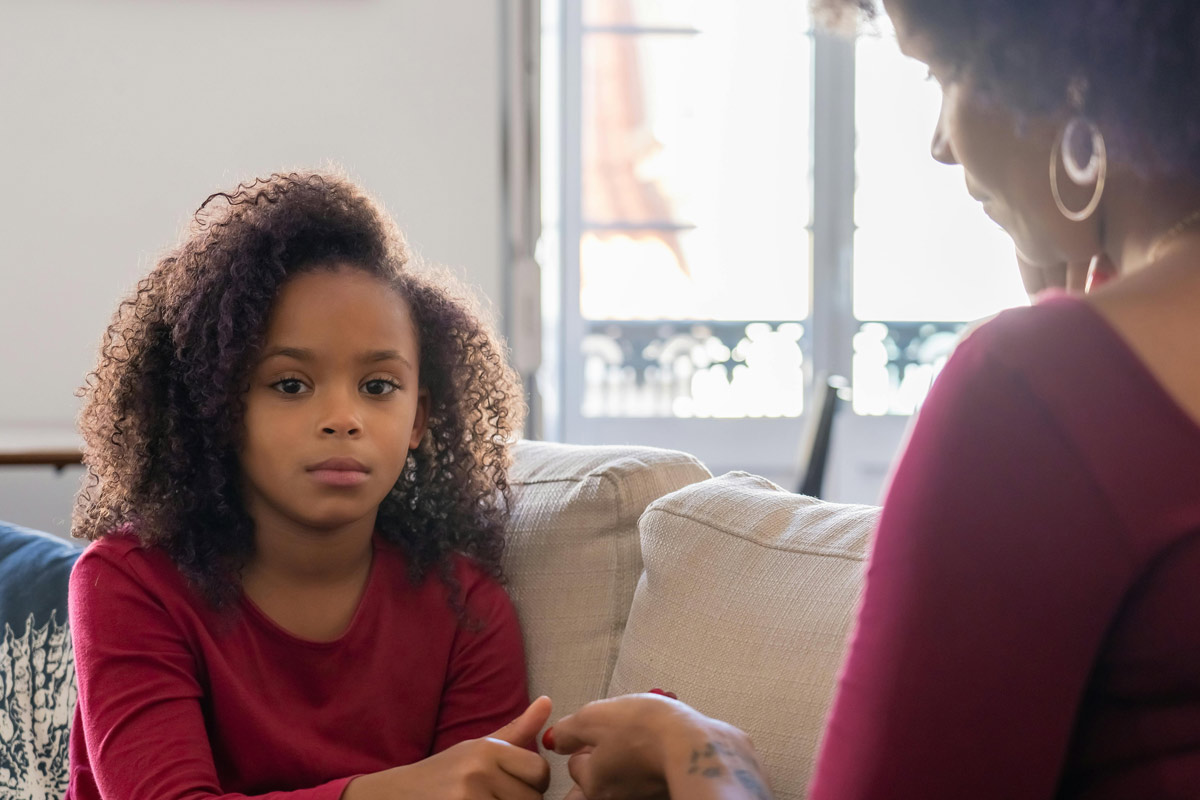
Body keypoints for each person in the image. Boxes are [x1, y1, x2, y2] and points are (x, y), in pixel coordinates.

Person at [545, 0, 1200, 797]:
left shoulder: (1044, 397)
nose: (940, 142)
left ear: (1071, 81)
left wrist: (700, 755)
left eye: (942, 72)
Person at [67, 171, 552, 800]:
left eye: (378, 387)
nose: (343, 418)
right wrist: (392, 793)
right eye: (290, 384)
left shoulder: (468, 611)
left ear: (419, 419)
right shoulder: (129, 582)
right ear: (220, 406)